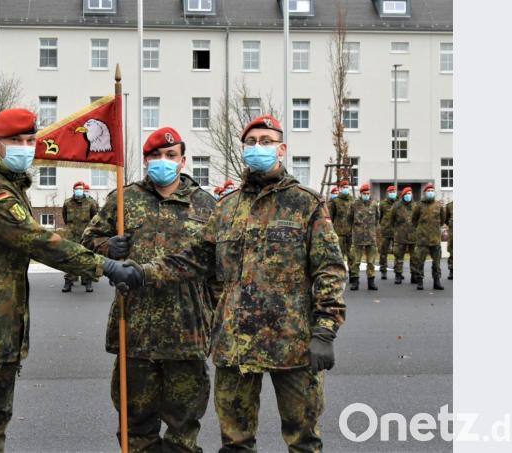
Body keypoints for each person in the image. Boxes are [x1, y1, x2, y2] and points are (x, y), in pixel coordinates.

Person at [0, 108, 138, 452]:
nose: (25, 146)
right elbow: (35, 239)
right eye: (15, 140)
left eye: (30, 140)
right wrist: (104, 265)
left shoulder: (8, 184)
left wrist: (104, 251)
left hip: (2, 331)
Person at [121, 115, 346, 452]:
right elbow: (196, 258)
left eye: (266, 141)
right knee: (235, 443)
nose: (258, 147)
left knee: (303, 440)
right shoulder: (227, 207)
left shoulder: (306, 203)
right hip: (234, 345)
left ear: (282, 149)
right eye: (251, 142)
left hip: (293, 344)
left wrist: (325, 330)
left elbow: (330, 269)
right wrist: (142, 271)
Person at [81, 126, 218, 452]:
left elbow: (218, 270)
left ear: (183, 160)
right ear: (145, 160)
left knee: (183, 431)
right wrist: (108, 247)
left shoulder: (206, 205)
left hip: (187, 334)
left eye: (170, 155)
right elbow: (87, 243)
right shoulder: (124, 199)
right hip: (135, 332)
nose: (163, 161)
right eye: (155, 155)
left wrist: (215, 319)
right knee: (135, 429)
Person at [62, 181, 100, 293]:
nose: (79, 190)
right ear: (73, 190)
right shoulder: (67, 202)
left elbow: (94, 219)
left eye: (81, 188)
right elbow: (65, 218)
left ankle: (88, 281)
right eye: (77, 188)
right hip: (72, 235)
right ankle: (68, 281)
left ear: (83, 190)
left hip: (86, 236)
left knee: (87, 258)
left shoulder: (90, 203)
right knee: (70, 258)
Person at [412, 183, 445, 290]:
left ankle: (437, 281)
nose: (430, 192)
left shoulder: (438, 205)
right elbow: (414, 220)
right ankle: (420, 281)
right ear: (425, 193)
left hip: (435, 239)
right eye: (428, 191)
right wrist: (421, 230)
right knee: (420, 261)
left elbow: (442, 220)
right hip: (422, 240)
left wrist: (435, 229)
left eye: (432, 191)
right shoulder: (419, 205)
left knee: (436, 263)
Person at [347, 183, 380, 291]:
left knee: (371, 262)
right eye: (364, 193)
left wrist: (372, 230)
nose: (366, 195)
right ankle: (355, 282)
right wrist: (354, 229)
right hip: (358, 237)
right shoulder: (354, 204)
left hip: (371, 237)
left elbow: (377, 218)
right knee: (356, 261)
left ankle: (371, 282)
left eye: (368, 193)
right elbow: (349, 218)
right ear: (361, 193)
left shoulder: (374, 204)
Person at [388, 187, 417, 285]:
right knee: (398, 257)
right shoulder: (396, 206)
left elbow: (419, 220)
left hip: (413, 236)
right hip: (400, 236)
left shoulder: (415, 206)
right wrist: (396, 231)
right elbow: (391, 220)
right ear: (403, 195)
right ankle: (398, 275)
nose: (409, 195)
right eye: (407, 194)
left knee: (414, 257)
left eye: (410, 193)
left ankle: (414, 275)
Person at [329, 179, 355, 268]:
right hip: (339, 233)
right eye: (344, 187)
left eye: (347, 187)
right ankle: (340, 273)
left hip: (350, 233)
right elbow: (330, 218)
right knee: (339, 255)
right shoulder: (335, 201)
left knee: (352, 255)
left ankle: (353, 274)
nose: (346, 189)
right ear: (340, 188)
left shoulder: (353, 200)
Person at [378, 185, 398, 280]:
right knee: (383, 252)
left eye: (393, 192)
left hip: (397, 232)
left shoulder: (399, 203)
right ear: (387, 193)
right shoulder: (382, 204)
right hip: (385, 231)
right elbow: (379, 217)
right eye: (390, 192)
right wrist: (383, 225)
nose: (392, 193)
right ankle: (383, 271)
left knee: (397, 252)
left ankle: (398, 271)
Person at [445, 199, 453, 280]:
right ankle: (452, 271)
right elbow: (446, 220)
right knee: (452, 252)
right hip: (453, 234)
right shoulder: (450, 206)